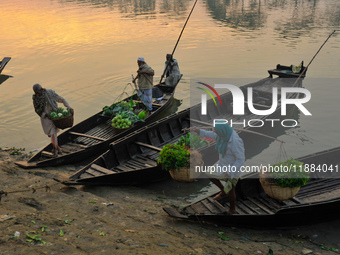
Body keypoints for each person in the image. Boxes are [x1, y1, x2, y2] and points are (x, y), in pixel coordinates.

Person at [191, 123, 245, 214]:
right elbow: (211, 134)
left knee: (231, 189)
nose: (217, 135)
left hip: (233, 167)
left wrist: (230, 171)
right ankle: (223, 191)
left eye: (218, 133)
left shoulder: (235, 141)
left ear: (222, 132)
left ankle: (232, 209)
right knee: (208, 173)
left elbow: (240, 159)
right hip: (222, 163)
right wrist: (198, 131)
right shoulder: (222, 135)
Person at [32, 84, 74, 157]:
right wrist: (45, 114)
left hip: (54, 118)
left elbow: (62, 99)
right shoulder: (35, 98)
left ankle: (55, 149)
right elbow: (37, 110)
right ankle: (58, 148)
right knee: (50, 134)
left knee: (53, 134)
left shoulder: (50, 93)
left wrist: (69, 108)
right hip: (45, 119)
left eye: (38, 92)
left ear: (41, 89)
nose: (37, 94)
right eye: (35, 93)